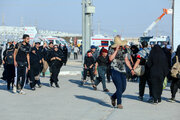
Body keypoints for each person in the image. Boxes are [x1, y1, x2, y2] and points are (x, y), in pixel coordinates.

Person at [109, 36, 134, 109]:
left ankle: (113, 97)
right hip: (114, 69)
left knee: (123, 88)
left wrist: (131, 69)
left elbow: (126, 60)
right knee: (119, 87)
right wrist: (116, 50)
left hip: (123, 70)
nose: (120, 45)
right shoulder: (111, 49)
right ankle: (119, 103)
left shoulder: (124, 49)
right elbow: (110, 58)